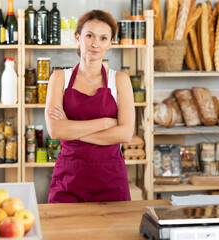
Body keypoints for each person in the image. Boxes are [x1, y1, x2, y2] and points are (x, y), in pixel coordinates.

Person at [45, 9, 135, 203]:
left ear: (110, 43)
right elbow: (55, 130)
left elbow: (125, 134)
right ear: (78, 37)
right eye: (89, 36)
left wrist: (71, 129)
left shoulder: (120, 80)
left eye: (103, 38)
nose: (95, 44)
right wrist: (105, 123)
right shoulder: (59, 78)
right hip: (68, 179)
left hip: (110, 179)